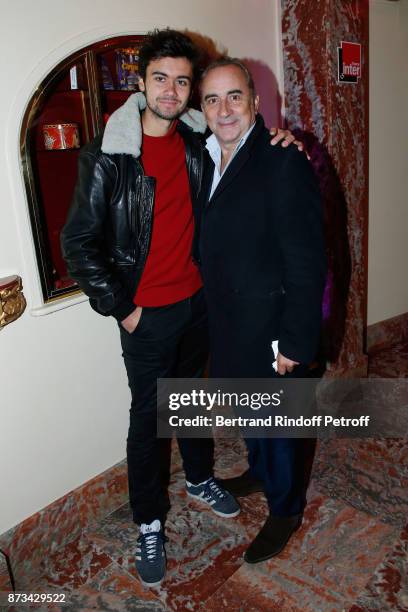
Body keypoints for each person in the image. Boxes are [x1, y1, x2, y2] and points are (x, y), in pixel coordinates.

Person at [61, 30, 298, 586]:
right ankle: (148, 521)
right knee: (149, 422)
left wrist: (282, 140)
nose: (171, 90)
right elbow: (79, 244)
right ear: (140, 82)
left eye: (182, 81)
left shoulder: (198, 141)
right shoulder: (109, 154)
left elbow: (245, 159)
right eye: (160, 78)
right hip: (144, 314)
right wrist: (123, 309)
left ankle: (198, 479)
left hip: (197, 306)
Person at [197, 58, 327, 564]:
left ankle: (286, 509)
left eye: (234, 97)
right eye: (212, 99)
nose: (224, 109)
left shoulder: (281, 160)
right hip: (230, 324)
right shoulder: (207, 157)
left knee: (278, 425)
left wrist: (297, 341)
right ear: (202, 109)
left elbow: (306, 259)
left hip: (271, 326)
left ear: (255, 102)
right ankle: (259, 471)